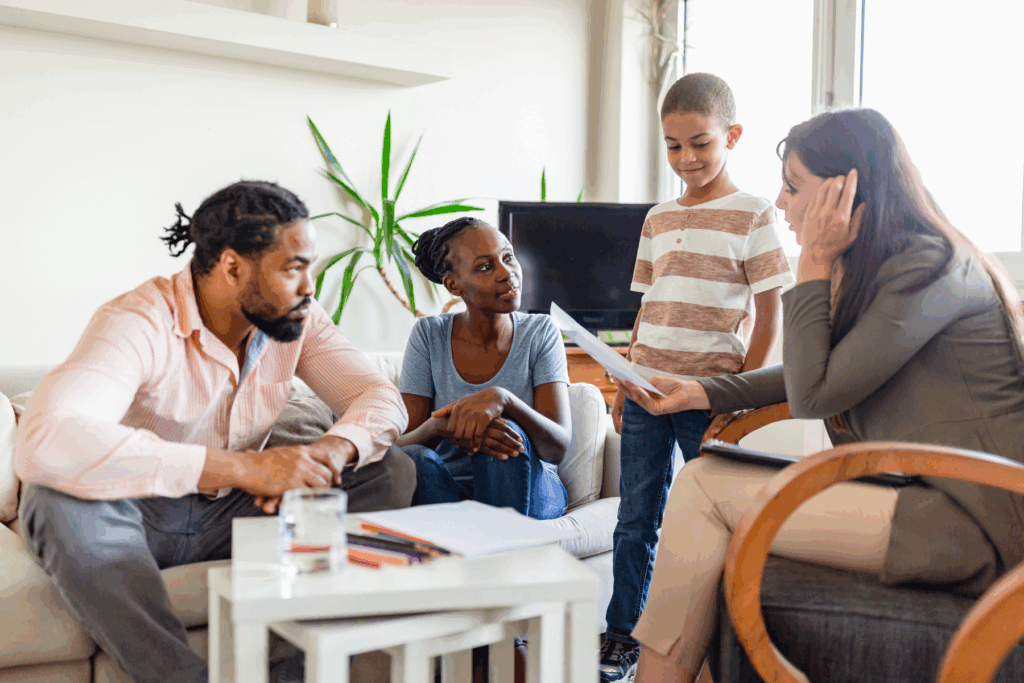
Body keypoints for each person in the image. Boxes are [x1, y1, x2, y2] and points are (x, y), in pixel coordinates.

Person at [616, 107, 1024, 683]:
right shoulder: (895, 266)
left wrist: (811, 262)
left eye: (791, 187)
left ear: (846, 189)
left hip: (978, 521)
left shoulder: (929, 268)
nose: (780, 203)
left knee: (703, 488)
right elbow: (816, 371)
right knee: (706, 499)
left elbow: (812, 392)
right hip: (930, 498)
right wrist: (699, 392)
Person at [14, 180, 415, 683]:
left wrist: (330, 452)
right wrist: (247, 467)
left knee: (391, 470)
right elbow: (47, 438)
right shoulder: (139, 320)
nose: (310, 285)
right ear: (232, 267)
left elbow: (379, 397)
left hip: (236, 515)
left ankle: (288, 672)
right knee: (53, 500)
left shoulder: (296, 318)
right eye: (293, 267)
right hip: (136, 511)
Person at [601, 72, 795, 681]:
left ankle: (719, 641)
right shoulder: (658, 217)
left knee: (713, 519)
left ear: (732, 136)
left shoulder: (754, 212)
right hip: (645, 392)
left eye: (701, 144)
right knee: (635, 519)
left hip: (708, 397)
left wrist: (739, 397)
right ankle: (622, 635)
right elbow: (648, 308)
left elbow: (770, 313)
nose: (687, 159)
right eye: (674, 146)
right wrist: (621, 379)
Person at [397, 217, 572, 520]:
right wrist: (441, 426)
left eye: (508, 257)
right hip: (451, 490)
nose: (508, 274)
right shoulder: (428, 335)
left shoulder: (540, 331)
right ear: (454, 285)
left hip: (532, 484)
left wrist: (503, 400)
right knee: (414, 459)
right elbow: (400, 445)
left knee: (504, 433)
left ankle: (498, 550)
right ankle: (467, 551)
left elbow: (557, 449)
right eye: (485, 267)